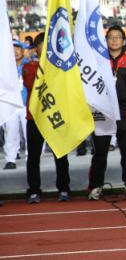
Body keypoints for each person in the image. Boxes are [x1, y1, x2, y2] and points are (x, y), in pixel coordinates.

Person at [87, 25, 126, 200]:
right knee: (99, 153)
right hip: (101, 111)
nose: (114, 40)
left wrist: (114, 95)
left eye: (118, 37)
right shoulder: (98, 61)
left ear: (124, 41)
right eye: (111, 37)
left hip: (123, 111)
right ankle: (95, 186)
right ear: (106, 41)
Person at [23, 33, 71, 203]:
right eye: (42, 45)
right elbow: (31, 84)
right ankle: (34, 190)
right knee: (33, 157)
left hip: (55, 115)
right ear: (36, 48)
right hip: (35, 118)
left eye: (48, 45)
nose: (45, 49)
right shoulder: (29, 67)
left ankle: (64, 188)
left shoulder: (60, 66)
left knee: (60, 153)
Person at [3, 40, 28, 170]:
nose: (15, 51)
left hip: (26, 103)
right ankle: (10, 159)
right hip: (12, 104)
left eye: (17, 48)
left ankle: (32, 157)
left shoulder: (29, 64)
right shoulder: (5, 67)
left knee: (29, 132)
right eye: (12, 49)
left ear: (22, 50)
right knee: (10, 132)